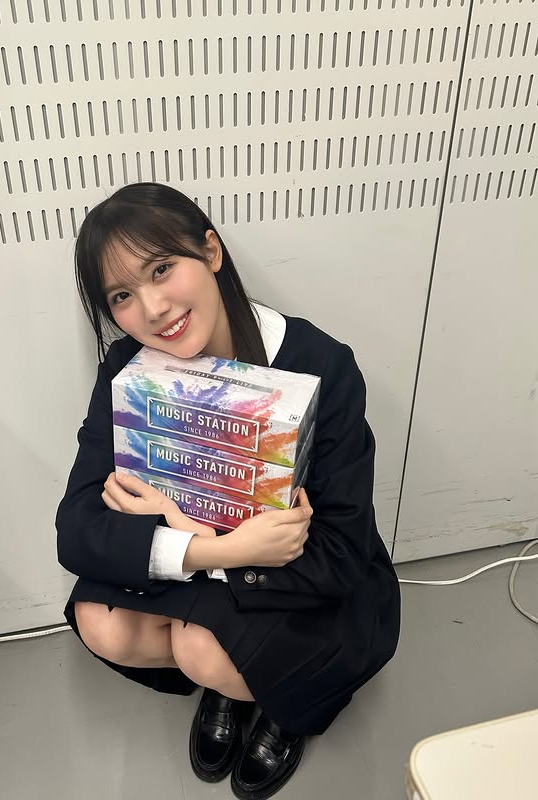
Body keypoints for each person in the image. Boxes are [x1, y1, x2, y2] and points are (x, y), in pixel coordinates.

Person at [56, 182, 400, 800]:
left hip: (303, 581)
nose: (153, 308)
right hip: (221, 559)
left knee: (202, 649)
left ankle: (281, 706)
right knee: (104, 626)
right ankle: (232, 675)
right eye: (122, 296)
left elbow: (341, 555)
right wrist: (211, 547)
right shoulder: (129, 370)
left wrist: (189, 539)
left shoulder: (320, 364)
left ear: (210, 252)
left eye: (162, 268)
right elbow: (76, 528)